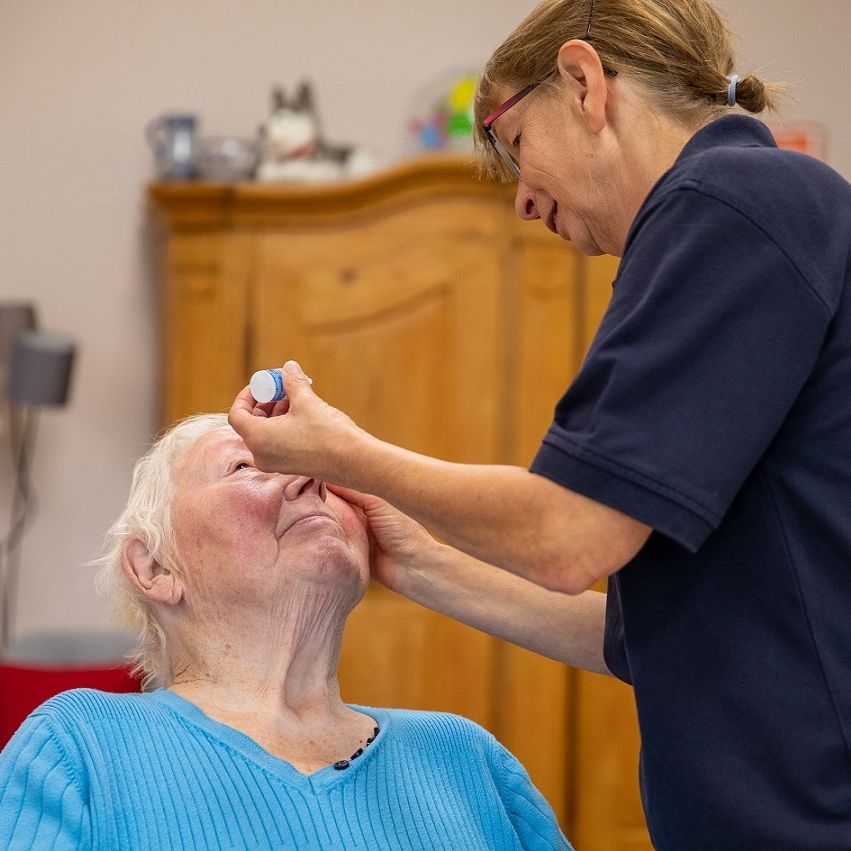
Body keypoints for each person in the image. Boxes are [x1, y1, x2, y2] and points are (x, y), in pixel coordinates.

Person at [226, 1, 851, 849]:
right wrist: (415, 561)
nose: (521, 200)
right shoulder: (743, 215)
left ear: (583, 81)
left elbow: (566, 536)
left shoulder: (730, 203)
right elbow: (633, 640)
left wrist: (346, 454)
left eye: (516, 145)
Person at [0, 414, 572, 851]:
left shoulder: (464, 755)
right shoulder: (77, 746)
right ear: (155, 567)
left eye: (325, 471)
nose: (310, 480)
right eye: (245, 467)